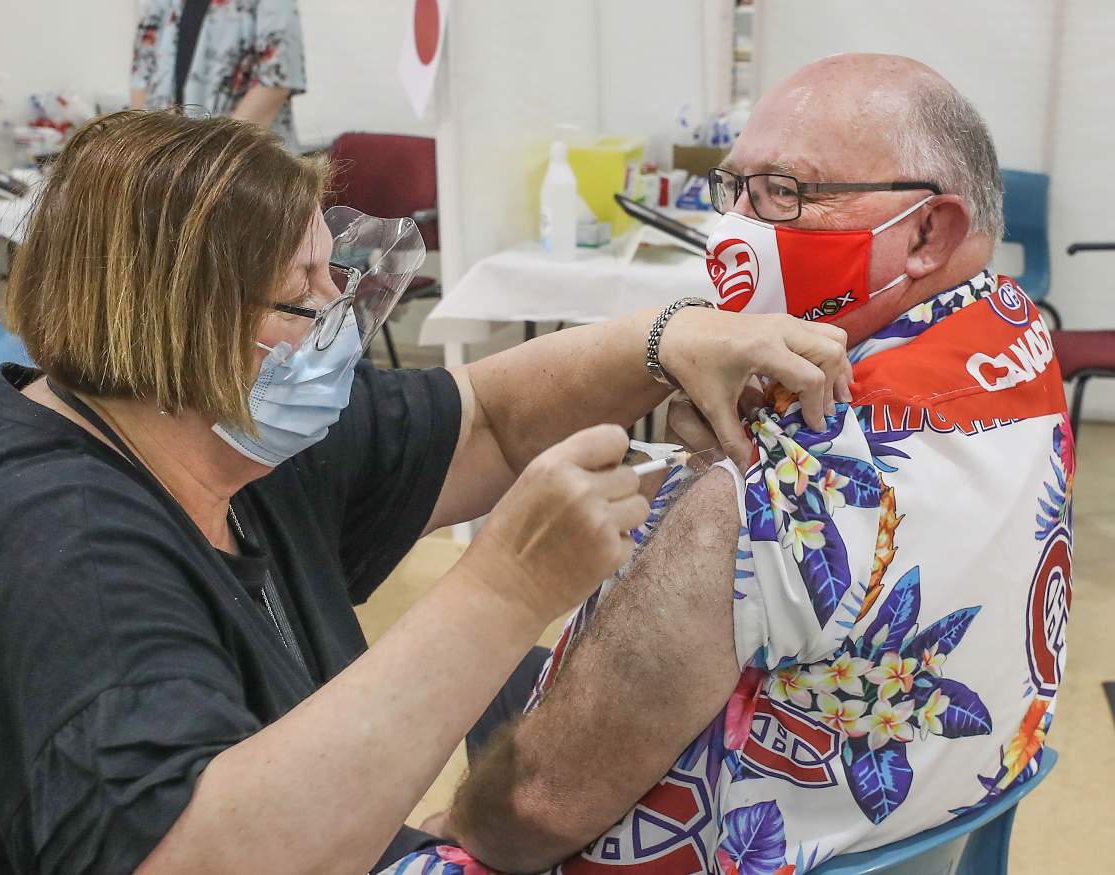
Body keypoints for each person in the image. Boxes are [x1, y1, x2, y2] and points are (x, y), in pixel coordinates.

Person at [0, 110, 851, 875]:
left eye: (336, 275)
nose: (334, 324)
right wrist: (503, 589)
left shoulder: (227, 426)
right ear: (174, 329)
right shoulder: (58, 546)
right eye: (300, 297)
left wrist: (668, 338)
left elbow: (484, 415)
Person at [392, 54, 1074, 874]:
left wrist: (453, 820)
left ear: (930, 231)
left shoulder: (770, 488)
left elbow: (536, 811)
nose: (738, 229)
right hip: (919, 806)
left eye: (785, 192)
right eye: (736, 189)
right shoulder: (1015, 339)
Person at [130, 0, 306, 151]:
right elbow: (142, 72)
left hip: (245, 165)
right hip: (168, 162)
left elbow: (275, 82)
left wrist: (212, 160)